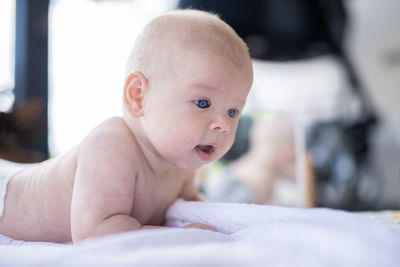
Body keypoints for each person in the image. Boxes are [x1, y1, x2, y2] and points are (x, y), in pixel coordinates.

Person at [0, 9, 253, 243]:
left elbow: (194, 210)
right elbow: (94, 233)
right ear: (138, 96)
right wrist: (177, 236)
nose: (223, 124)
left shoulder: (181, 164)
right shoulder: (112, 145)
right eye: (202, 102)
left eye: (232, 111)